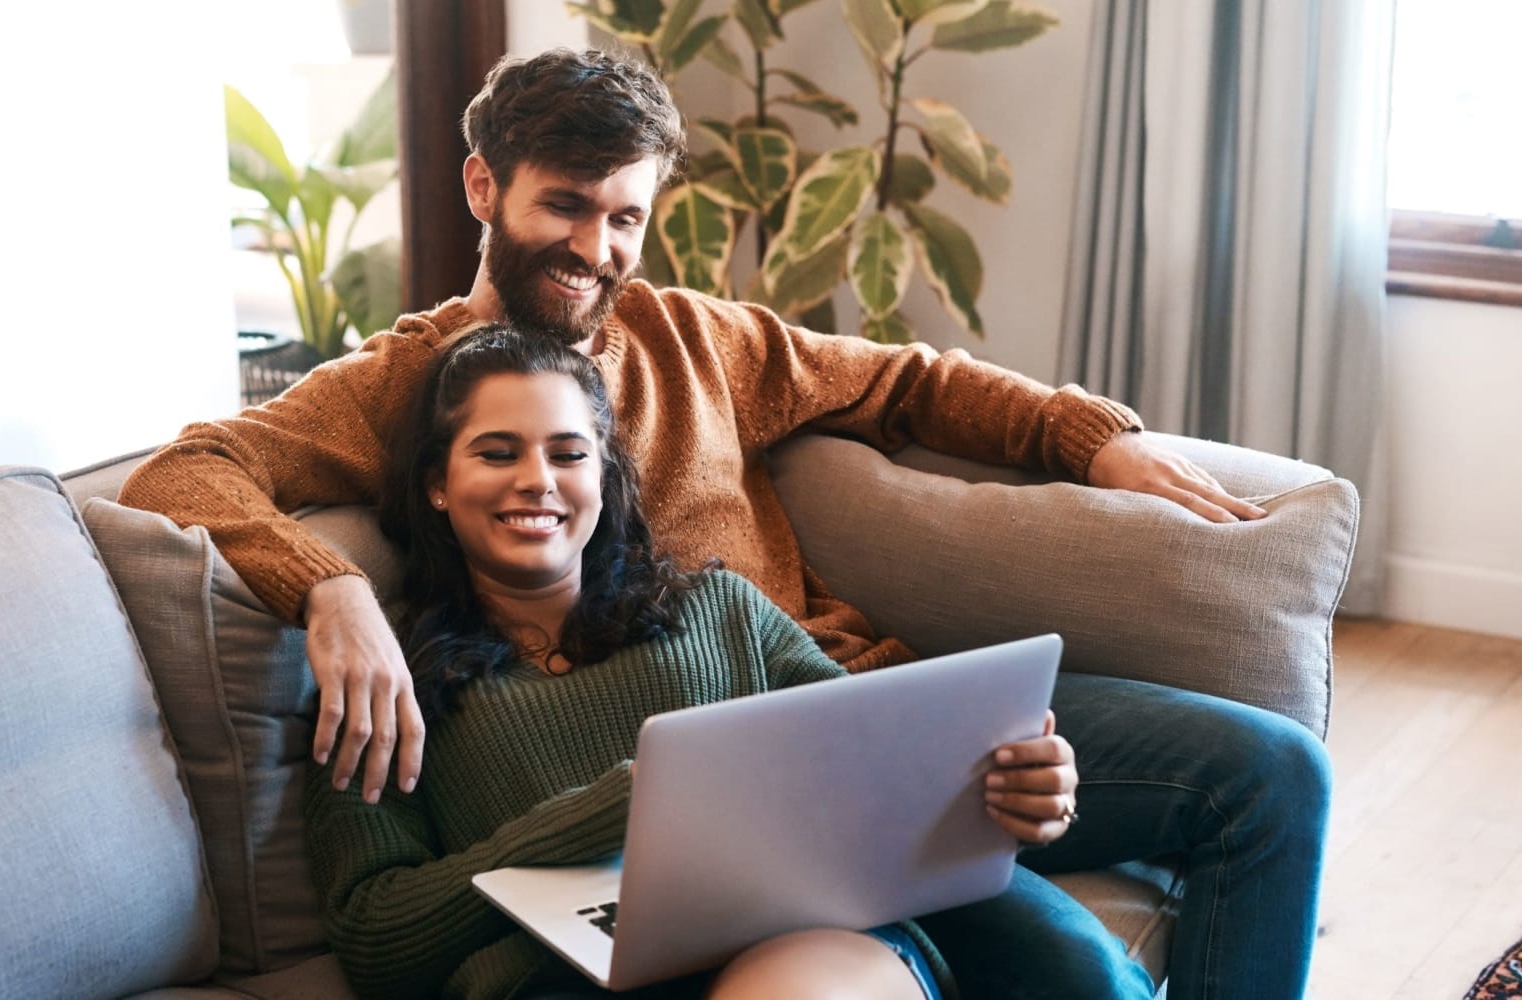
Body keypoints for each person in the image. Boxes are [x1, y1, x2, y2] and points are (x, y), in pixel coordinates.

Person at [119, 47, 1330, 998]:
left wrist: (1088, 436)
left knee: (1268, 772)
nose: (595, 249)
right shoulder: (407, 384)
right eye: (566, 205)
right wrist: (326, 587)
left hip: (857, 725)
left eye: (626, 217)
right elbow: (190, 468)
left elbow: (904, 382)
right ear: (483, 186)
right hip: (680, 821)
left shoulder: (699, 337)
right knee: (1056, 958)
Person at [307, 324, 1084, 999]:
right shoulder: (383, 680)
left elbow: (873, 781)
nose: (538, 480)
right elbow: (376, 941)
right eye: (498, 452)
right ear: (439, 483)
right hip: (559, 981)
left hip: (791, 944)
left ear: (604, 479)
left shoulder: (719, 608)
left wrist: (1010, 794)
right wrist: (621, 808)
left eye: (569, 453)